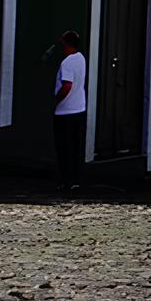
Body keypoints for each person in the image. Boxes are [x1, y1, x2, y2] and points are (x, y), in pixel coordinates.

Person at [51, 31, 86, 191]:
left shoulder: (67, 63)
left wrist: (56, 100)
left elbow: (67, 85)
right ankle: (76, 179)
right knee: (76, 147)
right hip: (79, 108)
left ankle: (66, 181)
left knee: (64, 148)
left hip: (65, 111)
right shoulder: (81, 59)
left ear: (66, 43)